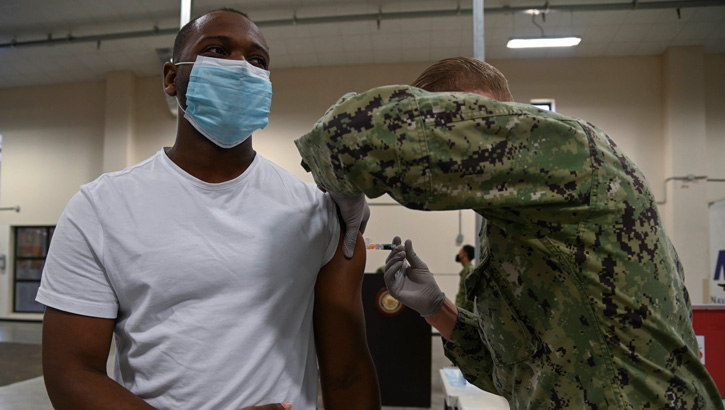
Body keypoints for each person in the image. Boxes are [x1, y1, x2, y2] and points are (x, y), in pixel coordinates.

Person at [294, 57, 724, 409]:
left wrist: (343, 185)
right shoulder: (517, 223)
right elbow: (520, 371)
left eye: (456, 125)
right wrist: (436, 308)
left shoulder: (572, 153)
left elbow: (350, 132)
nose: (453, 143)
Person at [35, 9, 380, 410]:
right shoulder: (100, 209)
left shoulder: (315, 212)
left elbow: (347, 372)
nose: (239, 67)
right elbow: (71, 374)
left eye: (257, 61)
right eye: (216, 50)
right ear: (171, 77)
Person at [454, 245, 475, 313]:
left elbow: (470, 295)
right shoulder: (466, 270)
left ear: (465, 254)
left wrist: (464, 312)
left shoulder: (469, 270)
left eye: (460, 251)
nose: (458, 253)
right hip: (462, 309)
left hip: (464, 311)